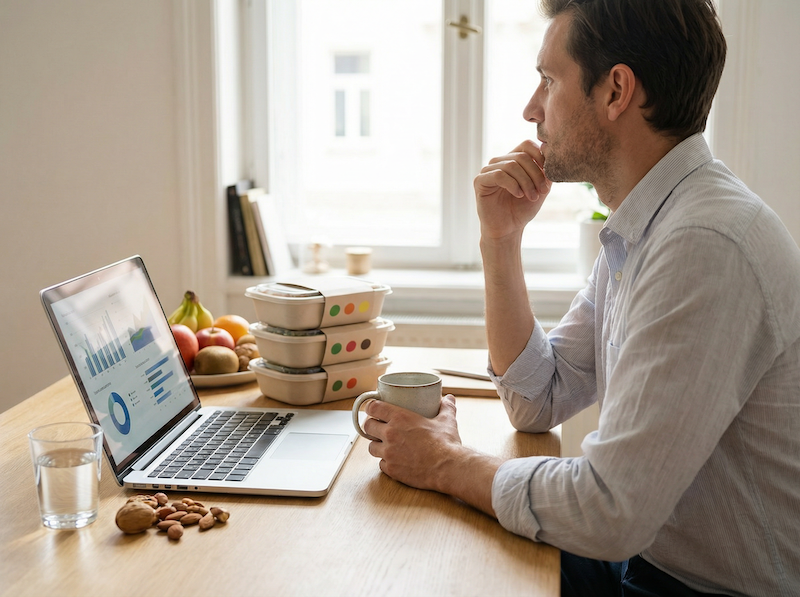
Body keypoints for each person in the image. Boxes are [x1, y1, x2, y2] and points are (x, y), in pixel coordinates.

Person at [362, 0, 800, 595]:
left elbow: (610, 509)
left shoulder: (705, 244)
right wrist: (501, 239)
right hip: (645, 562)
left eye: (548, 79)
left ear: (616, 90)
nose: (531, 109)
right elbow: (538, 398)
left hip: (694, 587)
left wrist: (443, 463)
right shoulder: (648, 225)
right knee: (444, 554)